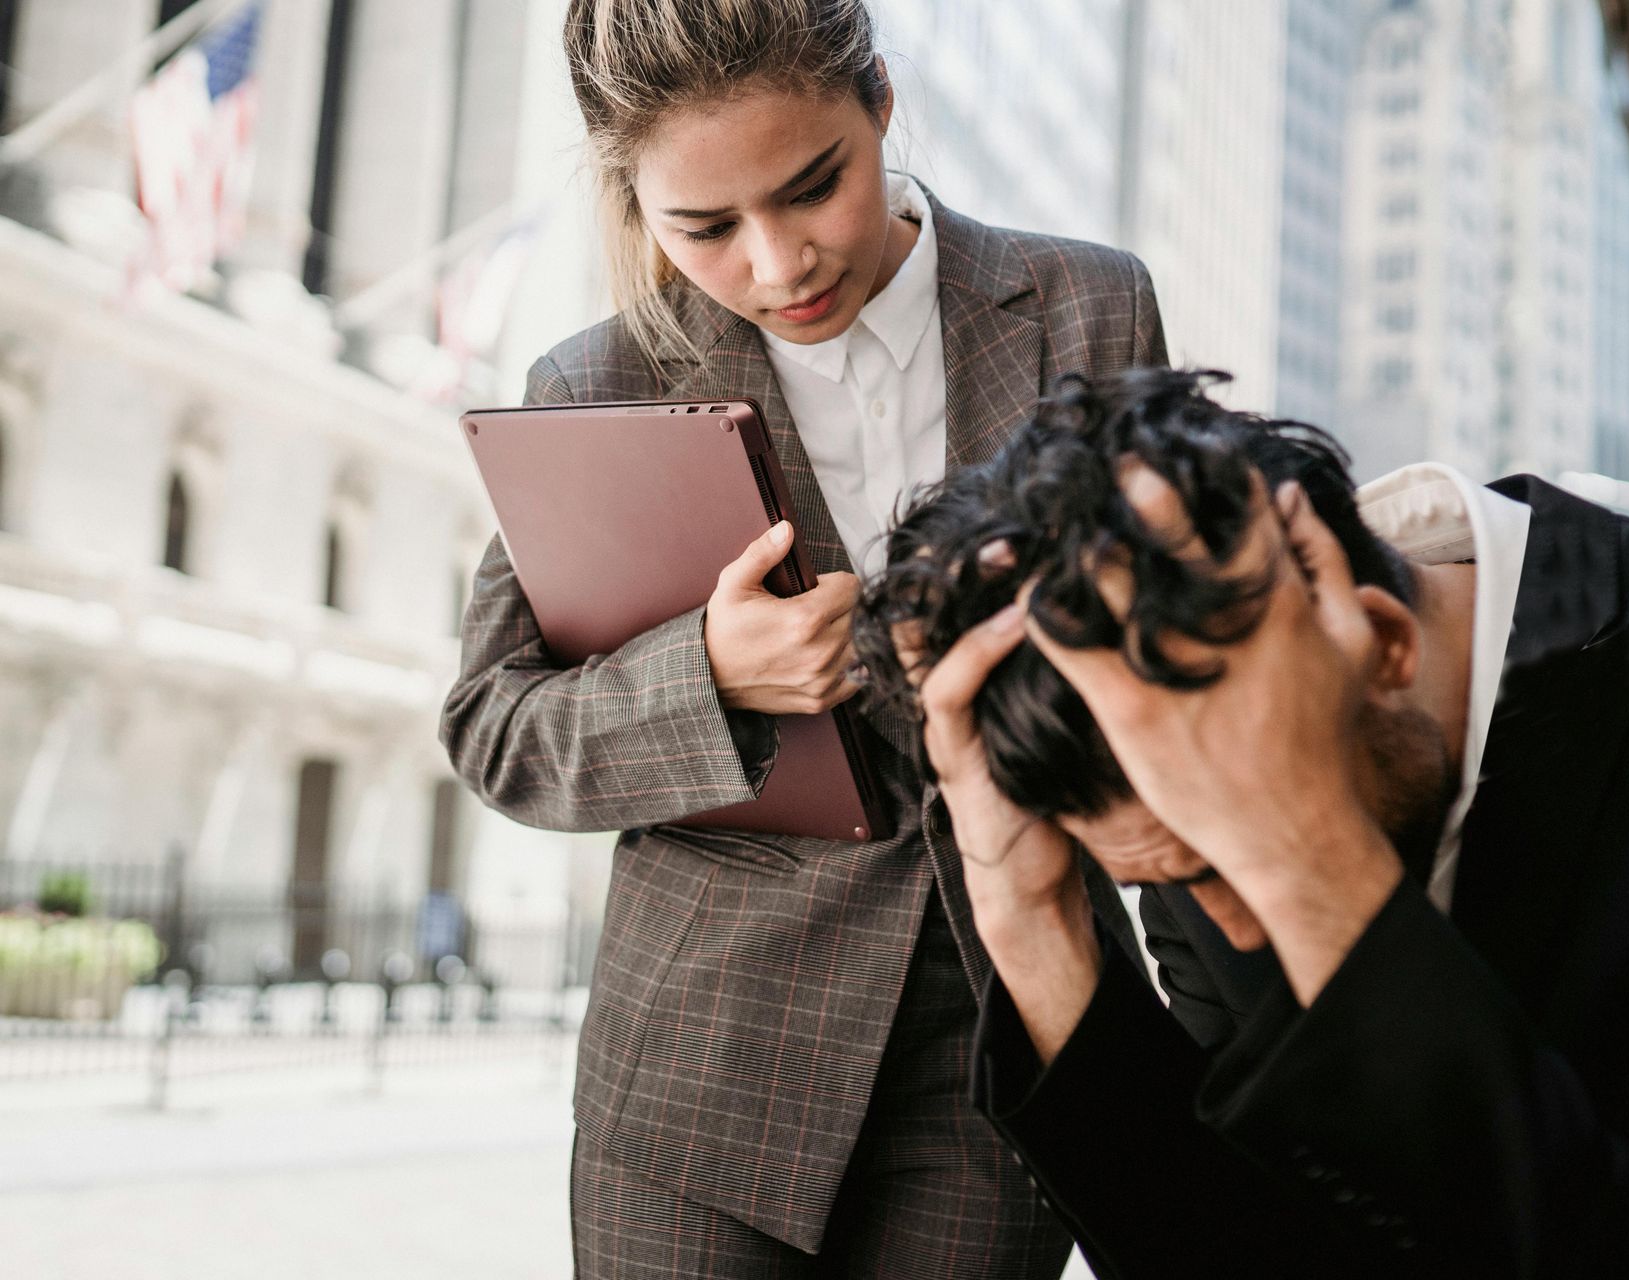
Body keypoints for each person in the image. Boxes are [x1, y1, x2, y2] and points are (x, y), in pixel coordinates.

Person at [862, 368, 1629, 1278]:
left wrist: (1310, 859)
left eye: (1240, 849)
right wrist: (1031, 919)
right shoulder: (1198, 843)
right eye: (1177, 876)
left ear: (1383, 640)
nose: (1234, 924)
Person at [438, 2, 1164, 1275]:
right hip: (700, 1083)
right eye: (705, 228)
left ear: (880, 99)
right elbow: (497, 729)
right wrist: (711, 676)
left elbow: (1169, 642)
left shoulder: (1092, 309)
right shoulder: (597, 384)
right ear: (635, 202)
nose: (779, 265)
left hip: (999, 1056)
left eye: (813, 186)